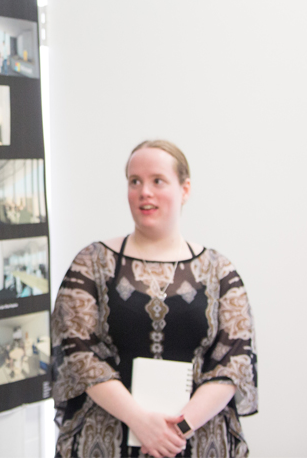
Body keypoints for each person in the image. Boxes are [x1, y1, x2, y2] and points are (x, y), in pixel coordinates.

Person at [51, 140, 257, 458]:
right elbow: (80, 356)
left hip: (198, 442)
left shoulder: (219, 270)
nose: (144, 191)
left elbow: (235, 362)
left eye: (157, 180)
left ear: (184, 189)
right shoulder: (91, 263)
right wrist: (140, 422)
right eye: (135, 181)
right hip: (106, 442)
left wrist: (177, 430)